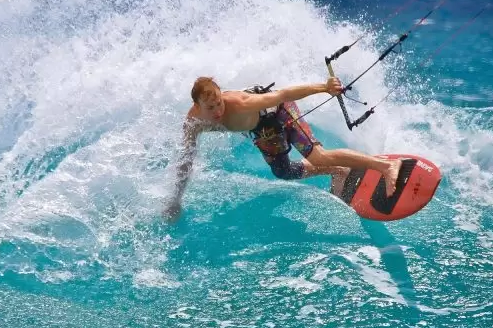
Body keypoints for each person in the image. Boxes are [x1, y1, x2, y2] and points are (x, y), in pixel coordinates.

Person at [164, 76, 402, 220]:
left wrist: (324, 87)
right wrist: (176, 199)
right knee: (283, 172)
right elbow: (186, 160)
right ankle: (340, 170)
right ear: (197, 106)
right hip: (262, 129)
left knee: (318, 156)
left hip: (279, 111)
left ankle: (385, 165)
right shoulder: (193, 123)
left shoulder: (241, 103)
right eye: (210, 107)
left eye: (219, 102)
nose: (218, 111)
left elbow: (284, 94)